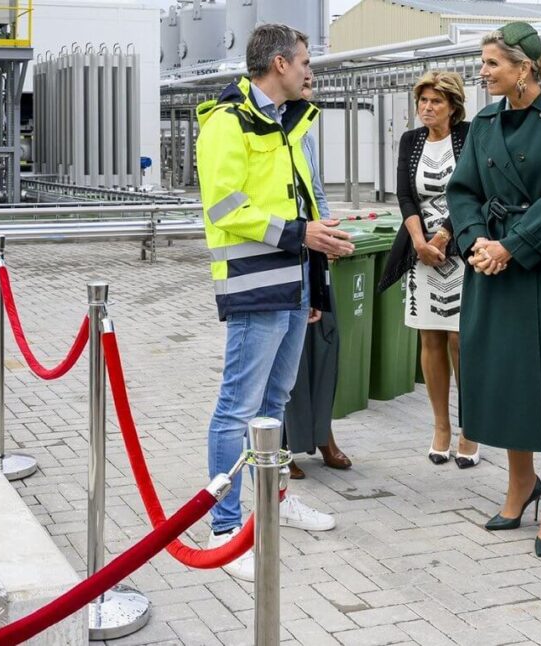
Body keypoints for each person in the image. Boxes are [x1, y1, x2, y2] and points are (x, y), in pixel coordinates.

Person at [195, 23, 355, 582]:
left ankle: (274, 502)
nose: (312, 70)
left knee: (275, 403)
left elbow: (304, 206)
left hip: (293, 285)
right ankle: (222, 525)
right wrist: (302, 237)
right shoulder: (226, 123)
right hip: (253, 284)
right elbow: (226, 207)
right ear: (281, 64)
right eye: (306, 61)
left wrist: (314, 275)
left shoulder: (291, 124)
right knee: (237, 406)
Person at [448, 22, 541, 554]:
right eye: (483, 64)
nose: (482, 73)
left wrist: (514, 246)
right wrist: (478, 241)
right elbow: (462, 190)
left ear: (524, 67)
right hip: (491, 264)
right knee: (504, 375)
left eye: (491, 64)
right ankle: (518, 482)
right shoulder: (484, 121)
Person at [392, 70, 478, 468]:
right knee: (430, 339)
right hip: (421, 251)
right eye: (422, 101)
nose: (427, 108)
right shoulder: (411, 141)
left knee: (461, 339)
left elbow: (475, 191)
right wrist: (419, 243)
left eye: (435, 102)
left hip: (459, 248)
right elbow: (406, 195)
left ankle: (469, 428)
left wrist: (442, 238)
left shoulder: (469, 136)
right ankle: (441, 426)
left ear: (453, 106)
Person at [283, 78, 353, 480]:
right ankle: (282, 444)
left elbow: (318, 193)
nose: (310, 84)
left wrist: (328, 235)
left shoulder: (304, 134)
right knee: (288, 358)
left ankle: (322, 431)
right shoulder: (273, 133)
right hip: (286, 255)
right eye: (304, 73)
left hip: (314, 253)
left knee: (326, 343)